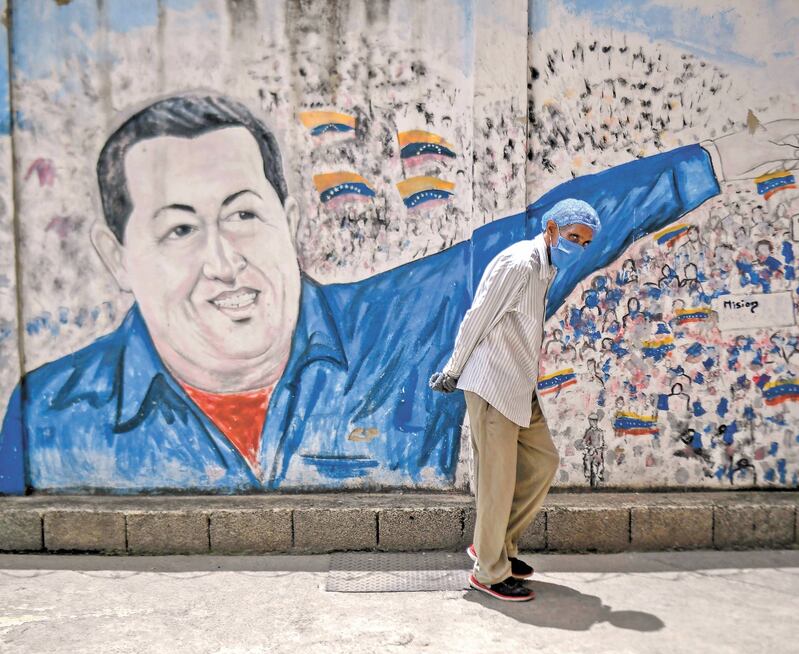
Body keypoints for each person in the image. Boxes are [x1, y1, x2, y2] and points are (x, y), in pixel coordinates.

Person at [1, 94, 796, 494]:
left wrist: (714, 161)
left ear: (287, 221)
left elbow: (551, 228)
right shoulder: (50, 413)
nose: (223, 263)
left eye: (243, 214)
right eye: (178, 229)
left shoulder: (400, 328)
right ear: (116, 256)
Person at [430, 199, 600, 601]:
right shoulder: (520, 263)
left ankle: (494, 545)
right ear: (551, 228)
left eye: (585, 242)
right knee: (497, 481)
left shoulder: (544, 268)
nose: (577, 246)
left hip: (519, 386)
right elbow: (478, 315)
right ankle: (489, 572)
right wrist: (453, 369)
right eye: (573, 236)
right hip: (492, 383)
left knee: (543, 462)